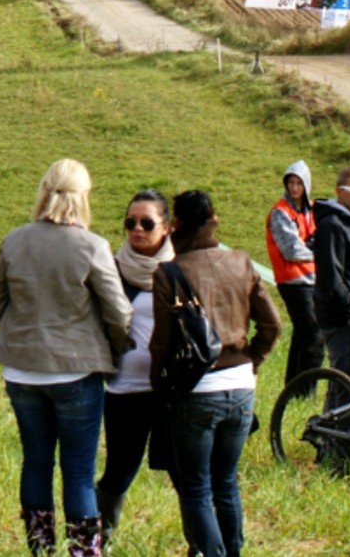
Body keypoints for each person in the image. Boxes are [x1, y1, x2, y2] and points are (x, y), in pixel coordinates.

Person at [0, 159, 131, 557]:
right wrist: (115, 346)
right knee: (79, 473)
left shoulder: (14, 240)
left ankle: (41, 550)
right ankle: (83, 552)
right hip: (76, 370)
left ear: (44, 191)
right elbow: (119, 313)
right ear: (84, 197)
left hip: (22, 370)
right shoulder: (92, 246)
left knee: (35, 463)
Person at [151, 190, 281, 557]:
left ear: (176, 225)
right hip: (241, 387)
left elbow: (161, 342)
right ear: (214, 220)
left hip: (195, 389)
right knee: (226, 483)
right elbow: (272, 325)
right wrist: (252, 360)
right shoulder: (241, 262)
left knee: (196, 488)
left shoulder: (169, 273)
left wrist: (159, 384)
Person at [93, 189, 174, 546]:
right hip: (124, 390)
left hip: (171, 391)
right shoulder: (110, 268)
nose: (137, 229)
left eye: (146, 223)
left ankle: (200, 544)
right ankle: (99, 541)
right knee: (119, 471)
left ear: (167, 228)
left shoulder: (179, 269)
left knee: (185, 474)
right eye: (130, 222)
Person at [313, 166, 350, 385]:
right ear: (339, 192)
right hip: (343, 321)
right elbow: (331, 279)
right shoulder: (332, 225)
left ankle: (330, 420)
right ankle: (344, 421)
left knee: (344, 384)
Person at [266, 160, 322, 383]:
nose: (294, 188)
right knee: (314, 338)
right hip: (293, 282)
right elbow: (291, 250)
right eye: (291, 182)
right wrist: (316, 252)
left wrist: (310, 247)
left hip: (311, 281)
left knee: (302, 336)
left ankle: (293, 387)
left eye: (299, 183)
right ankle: (305, 389)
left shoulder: (313, 210)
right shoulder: (280, 212)